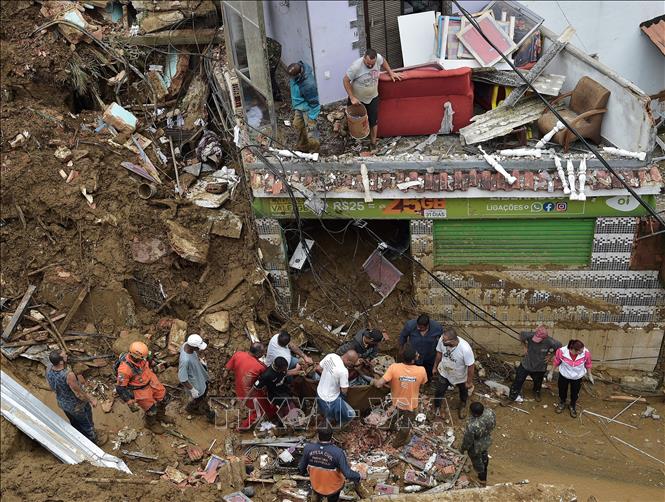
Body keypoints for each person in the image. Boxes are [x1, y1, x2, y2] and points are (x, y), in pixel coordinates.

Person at [343, 48, 401, 150]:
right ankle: (352, 139)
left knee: (373, 121)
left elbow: (383, 61)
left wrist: (390, 72)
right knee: (354, 119)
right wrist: (352, 97)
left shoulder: (378, 58)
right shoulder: (356, 67)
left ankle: (373, 143)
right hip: (357, 100)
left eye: (372, 64)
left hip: (373, 97)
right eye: (368, 63)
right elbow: (346, 80)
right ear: (364, 58)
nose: (370, 66)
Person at [371, 344, 427, 447]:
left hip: (396, 402)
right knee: (406, 426)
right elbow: (423, 383)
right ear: (414, 358)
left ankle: (388, 426)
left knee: (394, 414)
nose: (418, 354)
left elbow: (379, 384)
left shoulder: (394, 368)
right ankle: (397, 443)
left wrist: (373, 381)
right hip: (411, 404)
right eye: (416, 354)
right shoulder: (421, 371)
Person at [46, 350, 106, 446]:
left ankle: (80, 437)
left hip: (62, 402)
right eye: (64, 355)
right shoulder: (68, 375)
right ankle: (94, 441)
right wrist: (91, 399)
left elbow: (51, 386)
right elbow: (79, 393)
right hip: (75, 405)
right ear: (61, 362)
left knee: (74, 422)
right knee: (87, 424)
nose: (66, 355)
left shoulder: (49, 368)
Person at [116, 341, 171, 434]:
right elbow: (120, 388)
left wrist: (157, 364)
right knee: (151, 409)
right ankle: (150, 424)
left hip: (151, 380)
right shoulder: (125, 370)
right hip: (140, 389)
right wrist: (129, 401)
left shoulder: (144, 358)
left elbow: (149, 362)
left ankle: (160, 415)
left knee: (165, 398)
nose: (142, 360)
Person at [299, 427, 363, 502]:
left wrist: (307, 472)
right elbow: (348, 474)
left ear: (317, 435)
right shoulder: (338, 452)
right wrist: (359, 475)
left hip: (316, 484)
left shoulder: (308, 448)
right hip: (333, 488)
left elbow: (301, 468)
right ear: (332, 436)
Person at [508, 326, 562, 402]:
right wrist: (524, 346)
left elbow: (559, 347)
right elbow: (521, 335)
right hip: (526, 363)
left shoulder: (550, 341)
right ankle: (512, 396)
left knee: (538, 382)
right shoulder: (529, 335)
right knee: (518, 380)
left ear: (544, 338)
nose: (536, 340)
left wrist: (551, 355)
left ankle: (536, 392)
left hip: (540, 366)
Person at [433, 327, 475, 419]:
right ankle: (437, 407)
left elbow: (471, 366)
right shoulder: (442, 340)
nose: (442, 340)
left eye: (445, 340)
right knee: (439, 391)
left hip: (460, 375)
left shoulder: (465, 349)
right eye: (442, 339)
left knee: (463, 391)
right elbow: (439, 353)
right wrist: (435, 367)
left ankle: (463, 404)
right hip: (444, 372)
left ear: (452, 340)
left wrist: (469, 381)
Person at [225, 342, 268, 429]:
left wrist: (224, 383)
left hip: (238, 389)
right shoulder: (260, 367)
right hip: (249, 395)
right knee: (260, 410)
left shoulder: (238, 354)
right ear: (259, 354)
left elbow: (226, 371)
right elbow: (264, 383)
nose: (264, 353)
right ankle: (242, 428)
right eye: (263, 352)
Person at [551, 339, 593, 418]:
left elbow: (588, 364)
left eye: (582, 349)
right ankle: (562, 403)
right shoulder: (561, 351)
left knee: (575, 392)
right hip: (564, 375)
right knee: (562, 390)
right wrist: (551, 372)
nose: (582, 351)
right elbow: (556, 361)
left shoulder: (586, 353)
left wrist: (589, 375)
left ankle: (572, 405)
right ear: (572, 349)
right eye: (579, 351)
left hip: (577, 377)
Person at [178, 334, 215, 424]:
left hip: (199, 375)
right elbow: (182, 379)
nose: (200, 349)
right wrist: (193, 390)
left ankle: (191, 407)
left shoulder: (186, 345)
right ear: (193, 347)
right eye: (198, 347)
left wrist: (199, 361)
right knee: (201, 399)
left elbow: (193, 356)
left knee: (204, 390)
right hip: (195, 384)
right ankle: (210, 416)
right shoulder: (185, 360)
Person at [316, 350, 358, 427]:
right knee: (351, 415)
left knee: (326, 413)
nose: (351, 366)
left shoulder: (331, 356)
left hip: (319, 392)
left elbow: (318, 368)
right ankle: (337, 429)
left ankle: (326, 416)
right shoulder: (343, 371)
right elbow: (344, 390)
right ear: (348, 361)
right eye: (352, 364)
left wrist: (329, 376)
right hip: (330, 400)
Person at [459, 402, 496, 487]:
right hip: (486, 439)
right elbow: (494, 424)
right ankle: (484, 463)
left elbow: (468, 441)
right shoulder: (489, 413)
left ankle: (482, 480)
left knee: (478, 463)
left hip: (476, 446)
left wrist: (462, 449)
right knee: (484, 454)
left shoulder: (472, 425)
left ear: (473, 413)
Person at [287, 61, 321, 152]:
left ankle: (314, 151)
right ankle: (303, 147)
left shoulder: (308, 85)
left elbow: (315, 102)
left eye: (292, 77)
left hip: (308, 109)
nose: (291, 79)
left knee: (311, 132)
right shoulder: (298, 70)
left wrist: (312, 117)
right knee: (298, 125)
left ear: (298, 75)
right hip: (299, 106)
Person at [399, 314, 444, 381]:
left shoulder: (437, 328)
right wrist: (401, 348)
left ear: (427, 326)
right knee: (413, 371)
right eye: (418, 326)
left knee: (428, 371)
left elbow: (442, 340)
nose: (418, 328)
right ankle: (415, 382)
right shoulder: (410, 325)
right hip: (414, 355)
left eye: (421, 327)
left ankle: (426, 381)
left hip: (429, 355)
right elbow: (403, 336)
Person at [267, 36, 283, 101]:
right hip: (273, 51)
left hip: (274, 53)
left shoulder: (266, 47)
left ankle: (277, 94)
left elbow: (269, 58)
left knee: (270, 76)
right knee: (270, 76)